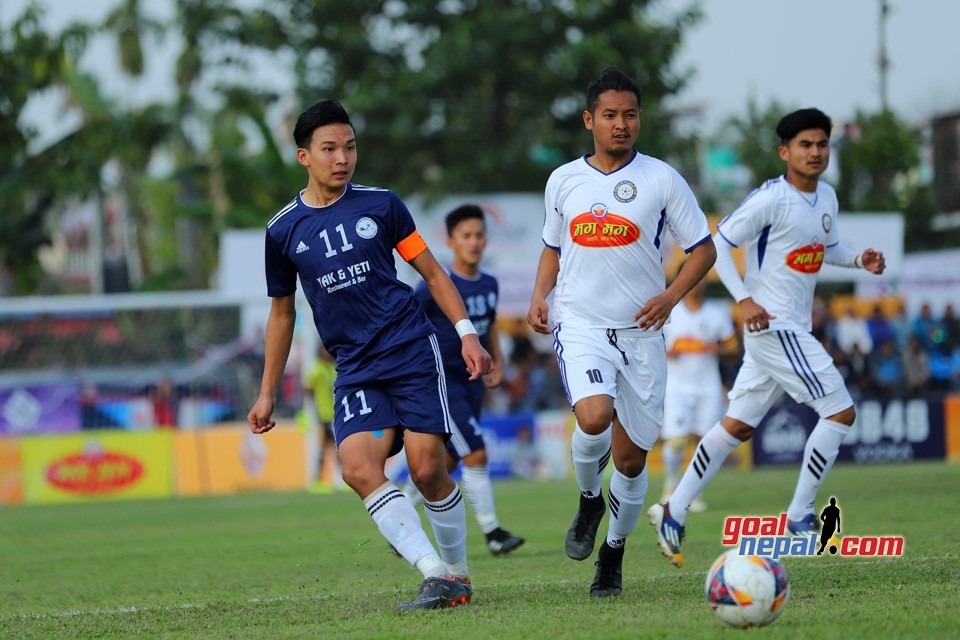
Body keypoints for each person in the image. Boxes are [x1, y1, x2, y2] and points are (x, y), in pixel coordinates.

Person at [247, 99, 492, 612]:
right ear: (303, 157)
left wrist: (467, 333)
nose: (342, 158)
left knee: (428, 471)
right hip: (355, 367)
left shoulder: (381, 205)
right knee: (358, 468)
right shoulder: (281, 231)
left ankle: (459, 576)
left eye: (350, 147)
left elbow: (432, 273)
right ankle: (434, 575)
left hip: (410, 349)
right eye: (330, 149)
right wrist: (267, 393)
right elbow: (282, 315)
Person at [648, 108, 886, 569]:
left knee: (737, 426)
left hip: (784, 330)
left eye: (821, 145)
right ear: (785, 152)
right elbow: (715, 244)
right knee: (839, 411)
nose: (815, 152)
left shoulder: (827, 198)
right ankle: (799, 515)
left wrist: (859, 260)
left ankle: (672, 510)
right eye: (805, 145)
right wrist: (743, 299)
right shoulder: (771, 199)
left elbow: (823, 248)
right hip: (775, 326)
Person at [527, 67, 716, 598]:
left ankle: (612, 555)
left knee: (632, 463)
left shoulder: (662, 178)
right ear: (590, 120)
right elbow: (552, 245)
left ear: (640, 119)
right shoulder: (563, 180)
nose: (621, 124)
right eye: (609, 115)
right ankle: (589, 499)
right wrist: (541, 295)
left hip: (643, 336)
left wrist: (670, 296)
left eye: (630, 114)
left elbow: (704, 247)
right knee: (593, 417)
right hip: (582, 324)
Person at [400, 204, 525, 555]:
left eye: (479, 235)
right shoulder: (434, 285)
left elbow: (490, 324)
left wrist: (497, 360)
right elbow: (407, 320)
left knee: (448, 462)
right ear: (450, 241)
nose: (474, 242)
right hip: (442, 383)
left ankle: (401, 519)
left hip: (471, 384)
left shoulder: (489, 282)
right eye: (466, 236)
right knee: (476, 454)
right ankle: (493, 533)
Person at [660, 279, 738, 512]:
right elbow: (650, 345)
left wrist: (721, 350)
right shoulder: (669, 312)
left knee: (705, 443)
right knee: (676, 441)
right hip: (676, 387)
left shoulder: (717, 314)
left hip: (708, 387)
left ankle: (693, 492)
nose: (695, 283)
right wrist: (667, 352)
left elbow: (735, 348)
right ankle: (671, 483)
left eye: (699, 277)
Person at [302, 342, 341, 493]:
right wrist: (307, 413)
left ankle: (320, 481)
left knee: (327, 448)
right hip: (324, 415)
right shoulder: (316, 369)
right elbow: (307, 390)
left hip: (335, 414)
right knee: (336, 447)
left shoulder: (332, 369)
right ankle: (335, 480)